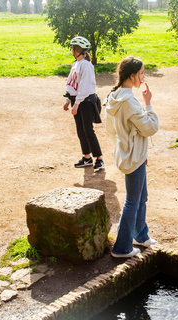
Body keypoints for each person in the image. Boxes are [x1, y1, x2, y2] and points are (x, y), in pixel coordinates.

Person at [105, 56, 159, 258]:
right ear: (132, 76)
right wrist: (148, 103)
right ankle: (122, 247)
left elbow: (111, 127)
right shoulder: (129, 101)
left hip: (128, 151)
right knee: (132, 201)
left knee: (140, 197)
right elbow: (150, 127)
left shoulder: (115, 96)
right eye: (142, 73)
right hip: (134, 155)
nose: (143, 77)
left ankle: (140, 235)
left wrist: (125, 140)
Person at [63, 36, 104, 170]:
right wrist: (68, 100)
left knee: (88, 130)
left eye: (72, 48)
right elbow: (72, 84)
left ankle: (99, 159)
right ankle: (87, 157)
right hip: (78, 100)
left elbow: (84, 87)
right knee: (81, 130)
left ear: (77, 50)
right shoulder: (76, 64)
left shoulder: (86, 65)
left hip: (85, 101)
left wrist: (76, 105)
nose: (71, 50)